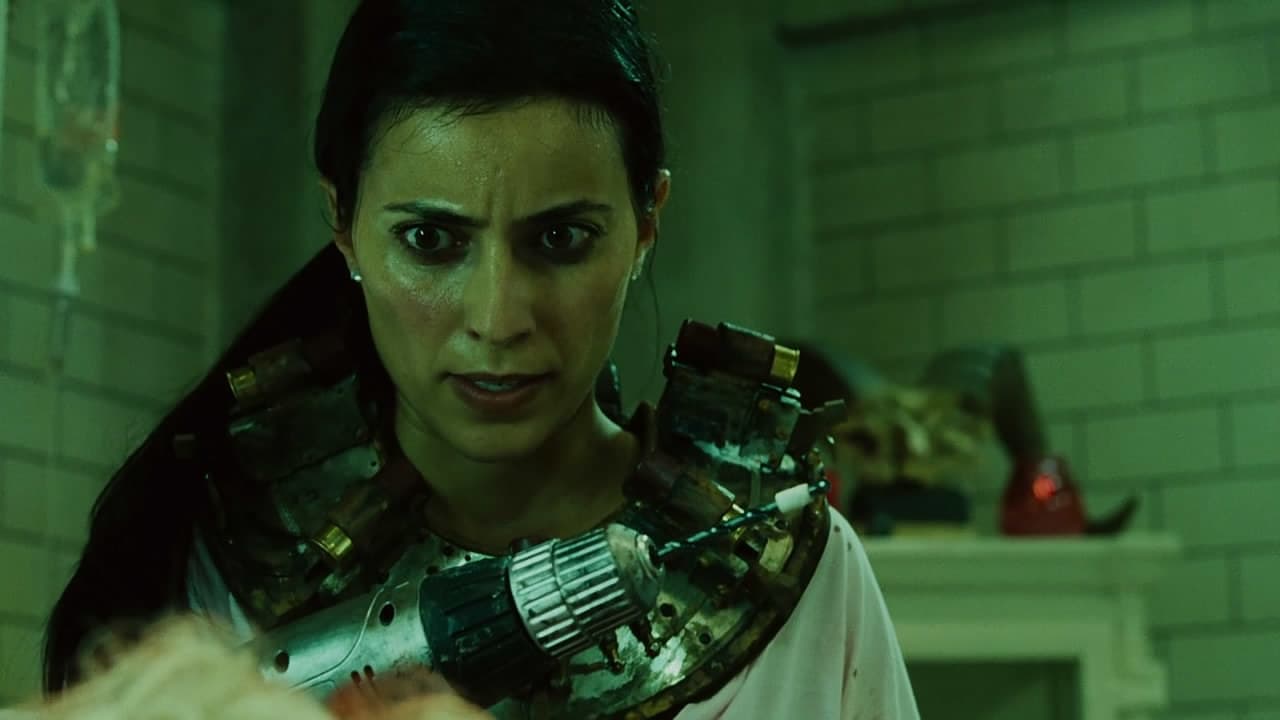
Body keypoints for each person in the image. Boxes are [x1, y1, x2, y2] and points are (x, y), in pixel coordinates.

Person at [41, 1, 920, 718]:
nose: (498, 318)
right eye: (431, 241)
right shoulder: (231, 563)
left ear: (648, 219)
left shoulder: (789, 575)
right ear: (342, 222)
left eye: (561, 239)